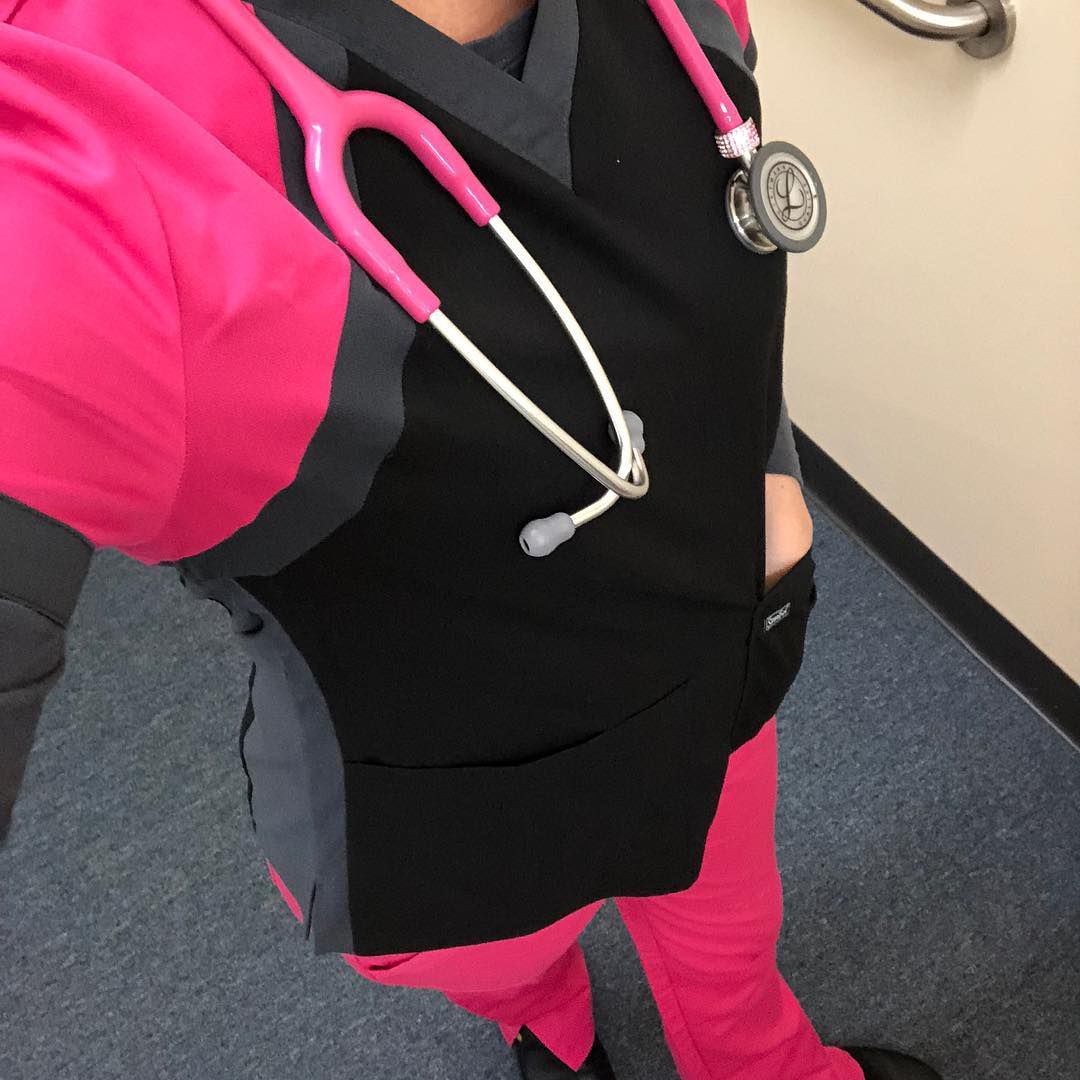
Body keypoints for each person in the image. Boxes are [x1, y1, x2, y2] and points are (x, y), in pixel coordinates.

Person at [0, 1, 942, 1077]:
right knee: (510, 969)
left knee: (732, 944)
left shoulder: (695, 18)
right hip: (453, 811)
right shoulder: (71, 159)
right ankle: (550, 1027)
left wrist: (768, 467)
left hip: (711, 684)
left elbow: (700, 259)